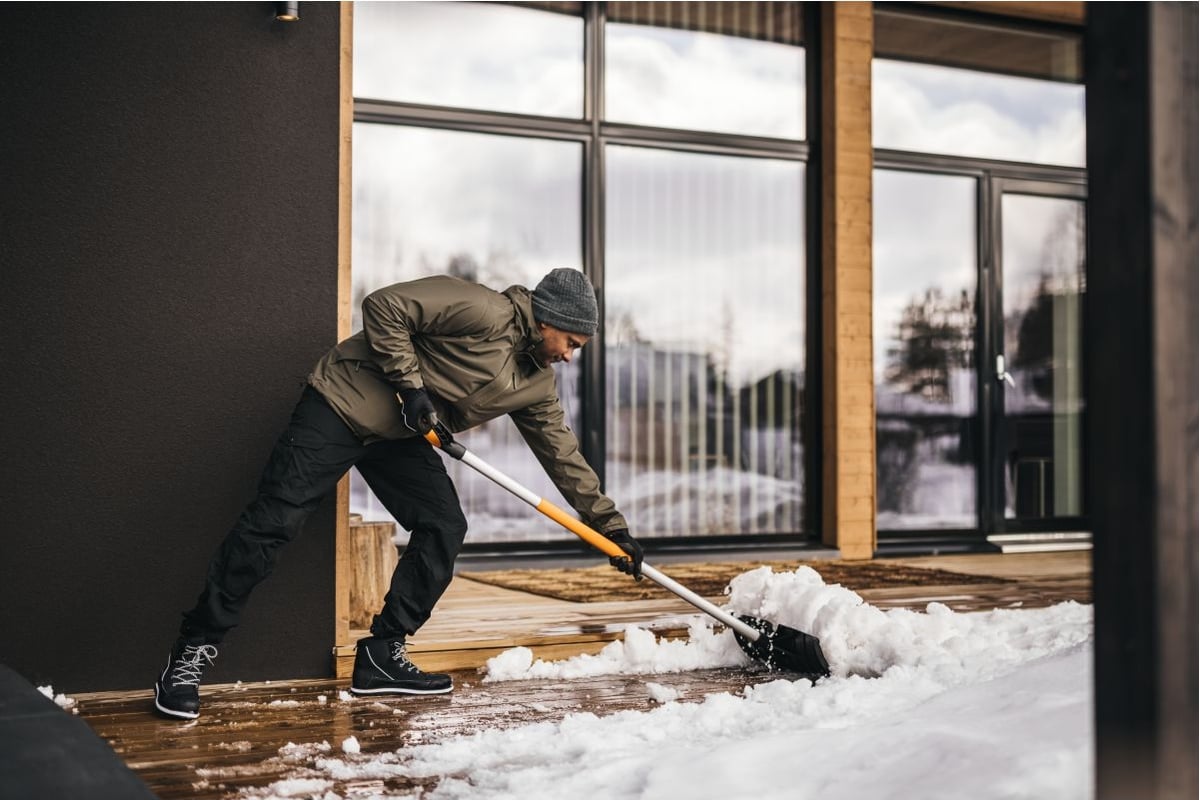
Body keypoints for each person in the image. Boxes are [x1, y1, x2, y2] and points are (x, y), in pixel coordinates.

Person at [153, 268, 643, 719]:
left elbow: (563, 456)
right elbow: (384, 305)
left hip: (402, 435)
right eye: (570, 341)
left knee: (444, 526)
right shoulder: (483, 309)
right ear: (547, 320)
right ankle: (192, 650)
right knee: (274, 523)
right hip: (342, 404)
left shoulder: (536, 384)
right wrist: (412, 388)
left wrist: (611, 527)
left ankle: (382, 654)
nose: (569, 355)